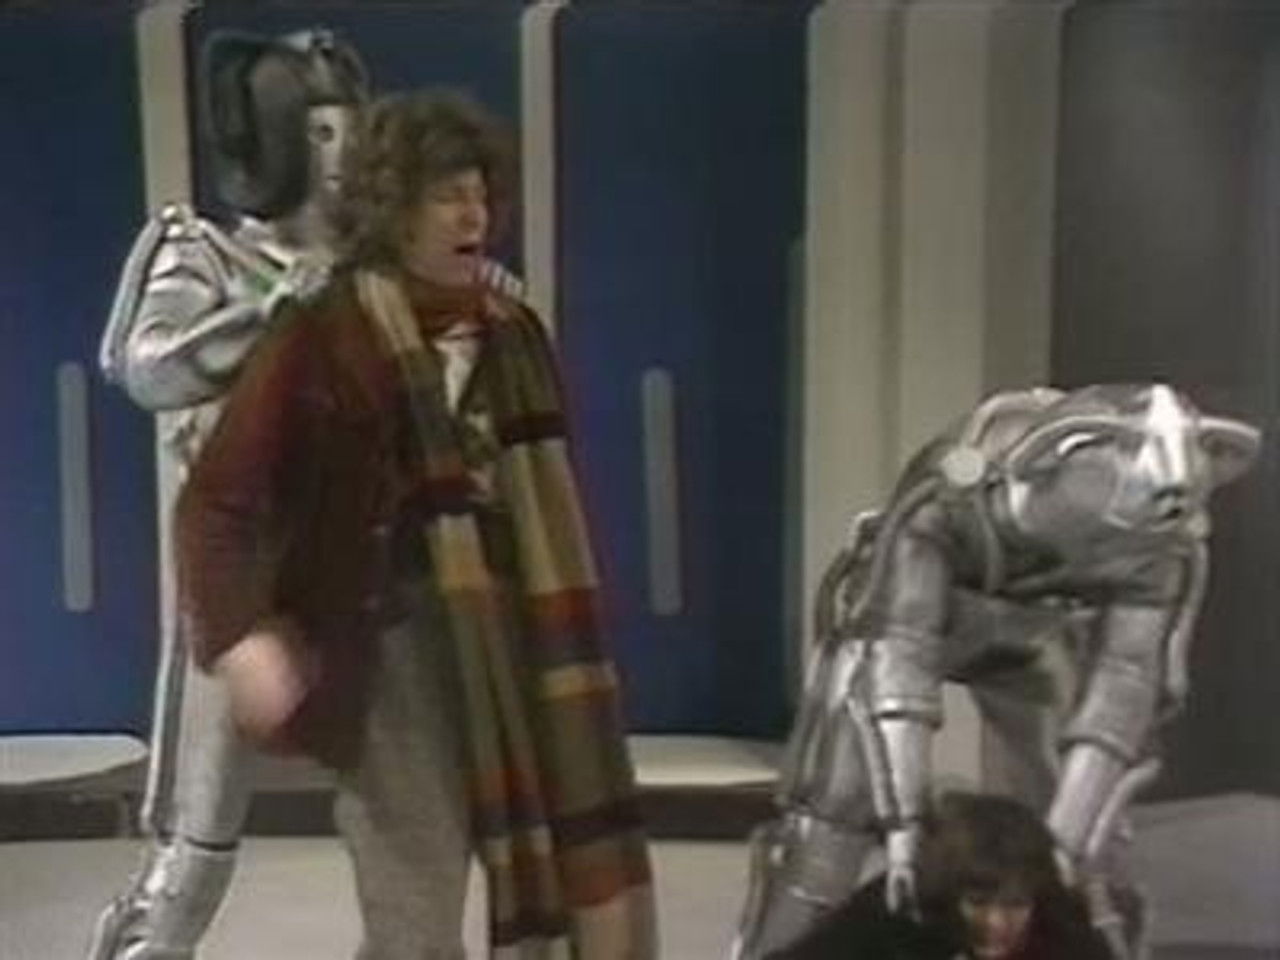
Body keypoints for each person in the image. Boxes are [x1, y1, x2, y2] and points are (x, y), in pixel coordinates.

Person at [174, 90, 657, 959]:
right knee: (417, 902)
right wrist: (239, 637)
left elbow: (546, 504)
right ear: (393, 213)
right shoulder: (327, 333)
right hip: (390, 643)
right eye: (446, 196)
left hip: (521, 638)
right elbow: (218, 499)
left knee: (560, 858)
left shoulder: (515, 332)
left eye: (479, 194)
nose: (473, 215)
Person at [733, 384, 1260, 960]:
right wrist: (904, 828)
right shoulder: (951, 491)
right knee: (832, 816)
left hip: (1043, 629)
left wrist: (1065, 848)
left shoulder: (1165, 542)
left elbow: (1124, 683)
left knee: (1096, 850)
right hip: (911, 621)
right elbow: (900, 654)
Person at [90, 29, 369, 960]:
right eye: (318, 133)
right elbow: (147, 367)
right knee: (195, 847)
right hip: (235, 584)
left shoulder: (376, 269)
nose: (340, 154)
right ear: (276, 136)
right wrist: (272, 311)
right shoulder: (203, 254)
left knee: (417, 827)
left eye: (349, 130)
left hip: (360, 574)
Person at [766, 792, 1113, 960]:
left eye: (1016, 904)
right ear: (947, 890)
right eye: (978, 902)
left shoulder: (1064, 926)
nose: (997, 922)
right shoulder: (896, 910)